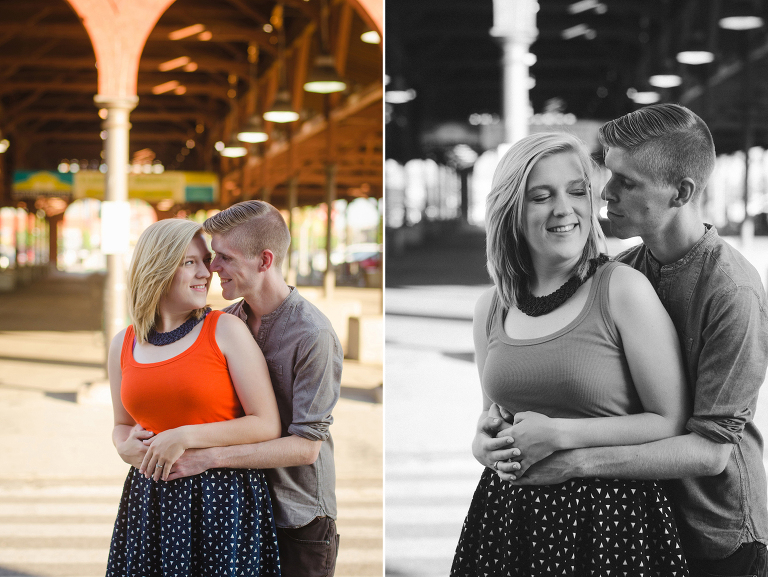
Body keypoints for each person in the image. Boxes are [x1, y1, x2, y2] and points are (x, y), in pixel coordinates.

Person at [482, 104, 768, 577]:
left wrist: (570, 460)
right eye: (607, 176)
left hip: (716, 534)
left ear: (682, 192)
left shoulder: (732, 291)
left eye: (626, 182)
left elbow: (711, 451)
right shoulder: (628, 269)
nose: (604, 193)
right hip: (647, 520)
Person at [451, 131, 692, 575]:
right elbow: (493, 415)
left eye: (577, 191)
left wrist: (561, 434)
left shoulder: (622, 290)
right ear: (513, 212)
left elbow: (669, 421)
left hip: (611, 523)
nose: (565, 209)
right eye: (542, 196)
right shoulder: (490, 308)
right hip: (510, 522)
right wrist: (481, 444)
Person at [118, 201, 343, 577]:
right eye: (208, 258)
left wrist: (204, 456)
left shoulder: (313, 334)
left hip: (297, 516)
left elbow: (306, 447)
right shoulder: (229, 319)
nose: (212, 268)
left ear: (264, 261)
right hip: (242, 505)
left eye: (222, 257)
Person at [106, 218, 282, 576]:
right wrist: (122, 447)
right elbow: (122, 425)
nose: (206, 272)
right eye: (190, 262)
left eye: (206, 260)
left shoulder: (225, 330)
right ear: (157, 269)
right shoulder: (123, 344)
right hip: (150, 502)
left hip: (220, 501)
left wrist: (185, 436)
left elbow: (267, 424)